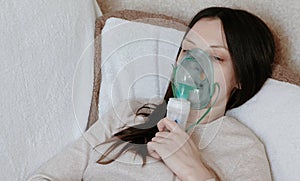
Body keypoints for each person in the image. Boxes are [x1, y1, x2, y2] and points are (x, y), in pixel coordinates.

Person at [29, 7, 275, 181]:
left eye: (216, 57)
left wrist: (195, 172)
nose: (195, 66)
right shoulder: (129, 113)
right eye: (188, 51)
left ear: (241, 77)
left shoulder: (243, 148)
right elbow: (47, 175)